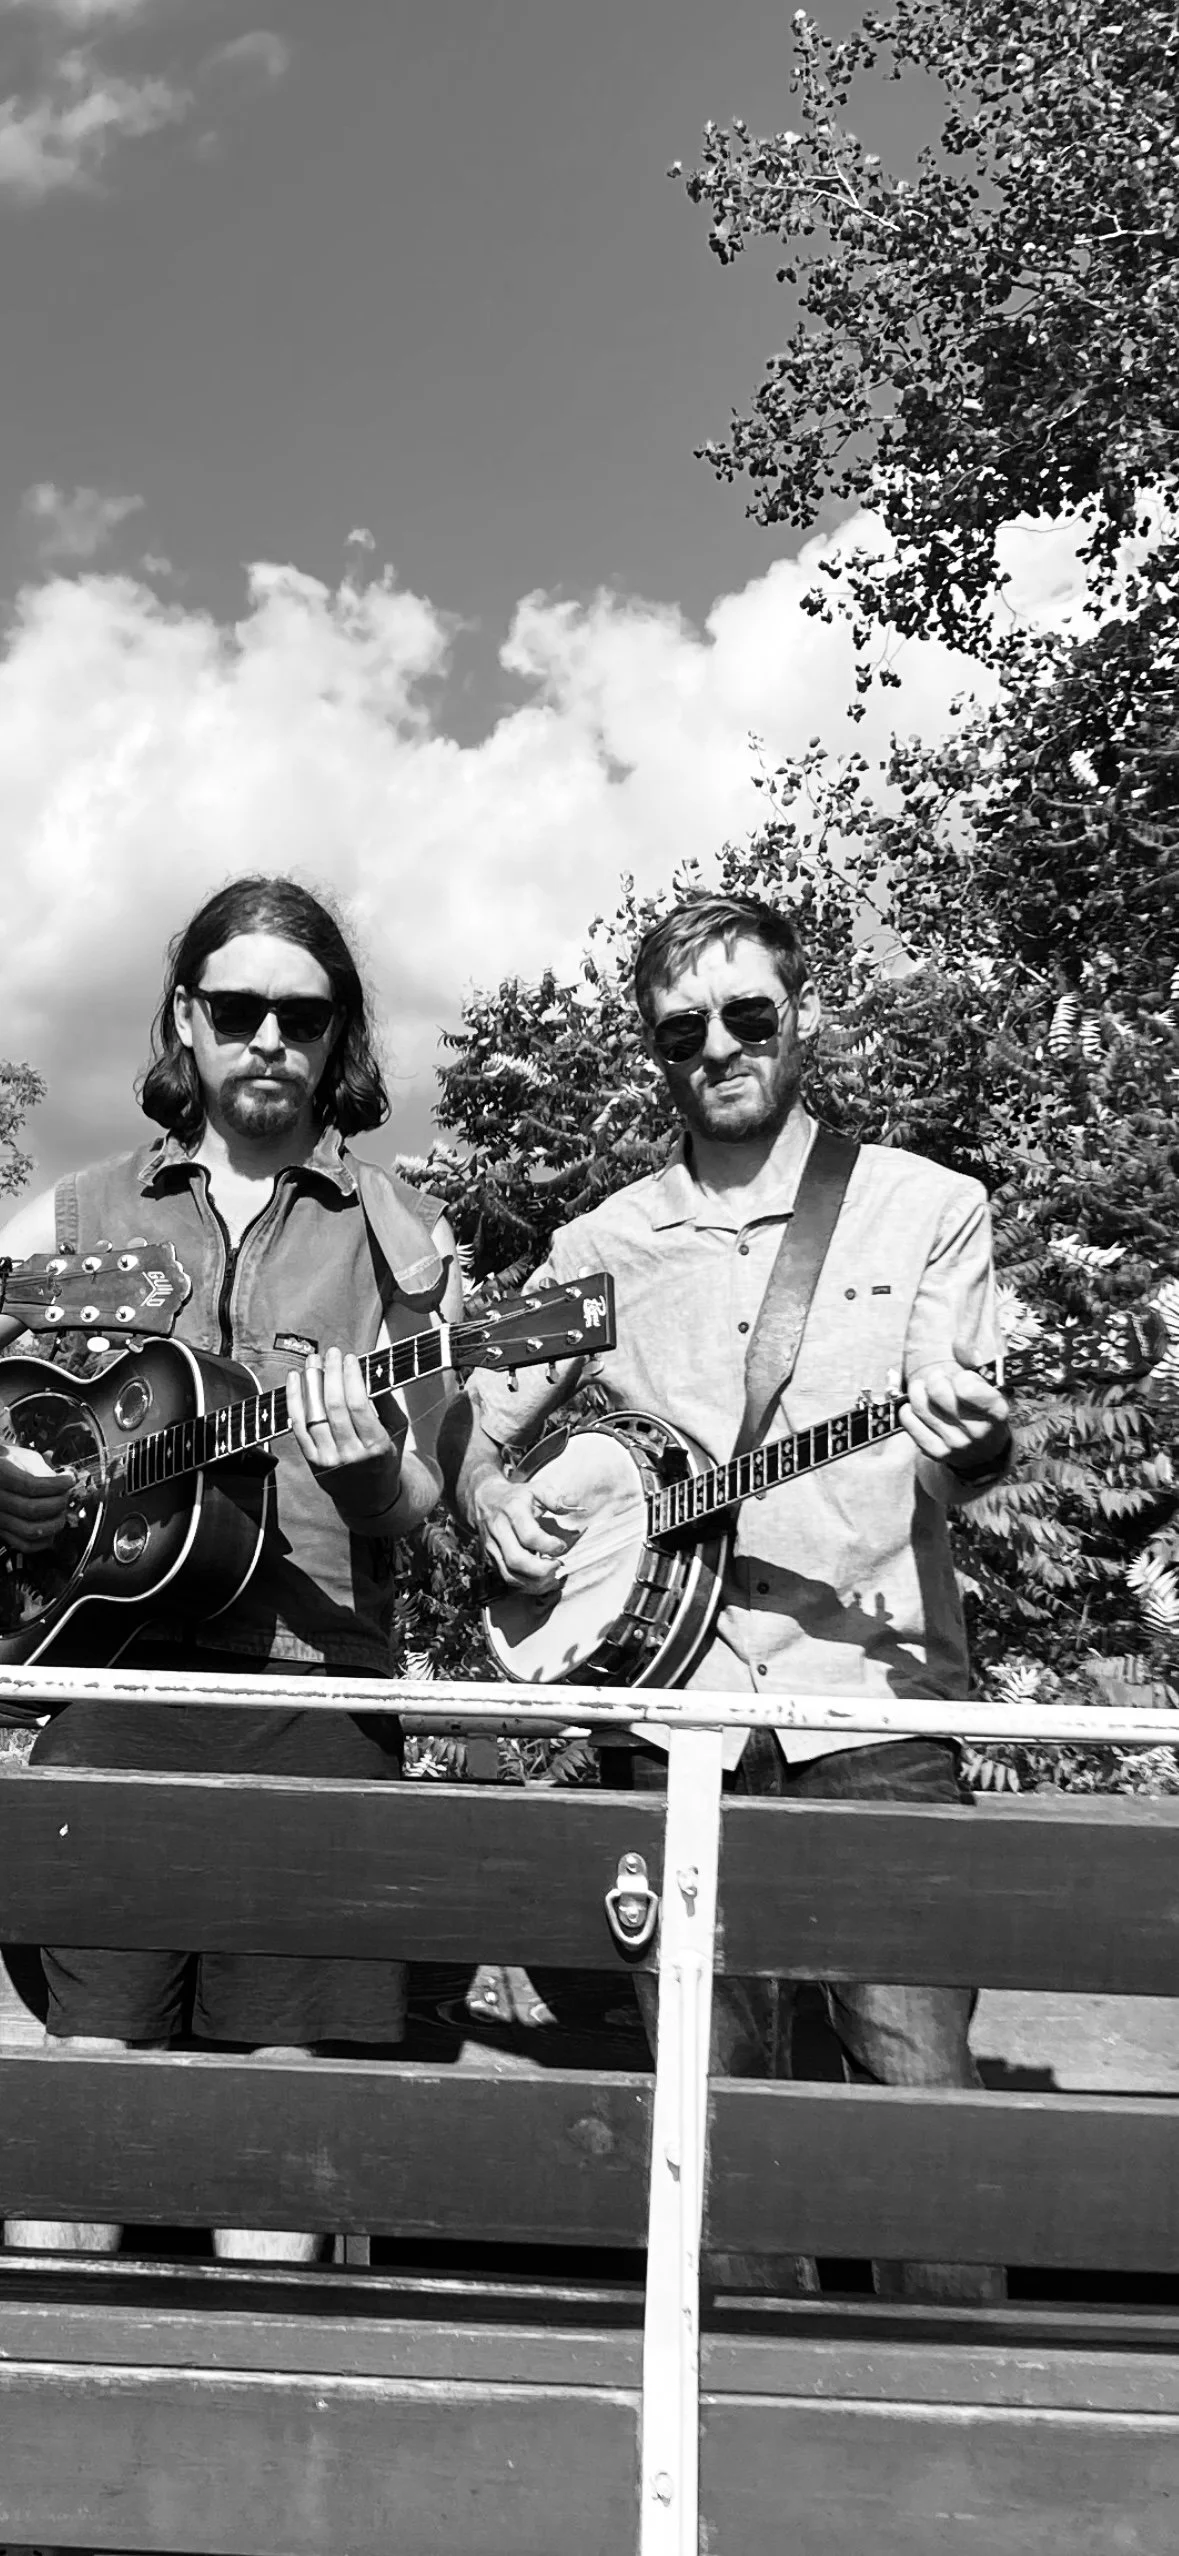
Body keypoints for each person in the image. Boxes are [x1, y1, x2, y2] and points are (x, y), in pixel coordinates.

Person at [441, 891, 1012, 2303]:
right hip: (675, 1728)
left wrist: (969, 1439)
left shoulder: (929, 1211)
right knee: (716, 2133)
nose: (719, 1045)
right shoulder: (597, 1249)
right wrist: (492, 1509)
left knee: (922, 2121)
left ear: (800, 1016)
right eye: (681, 1028)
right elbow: (468, 1407)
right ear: (653, 1050)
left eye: (747, 1014)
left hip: (870, 1719)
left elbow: (965, 1462)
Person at [0, 874, 463, 2264]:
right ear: (185, 1021)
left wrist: (370, 1467)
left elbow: (426, 1495)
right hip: (109, 1696)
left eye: (302, 1014)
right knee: (73, 2168)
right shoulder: (74, 1213)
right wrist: (20, 1489)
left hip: (311, 1706)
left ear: (340, 1041)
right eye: (238, 1007)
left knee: (273, 2186)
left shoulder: (401, 1234)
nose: (270, 1037)